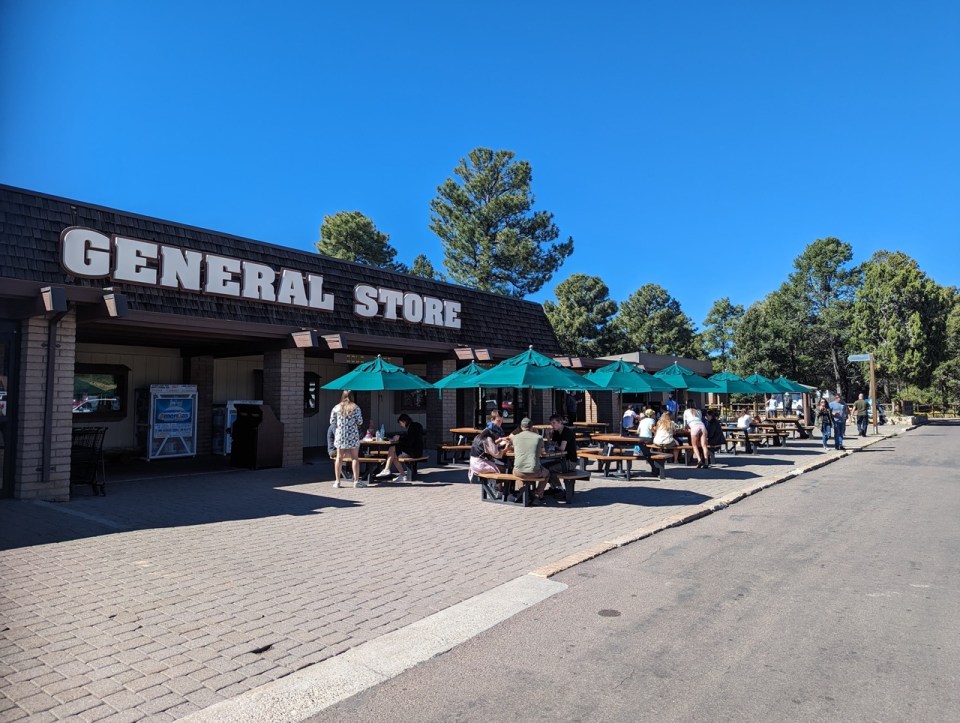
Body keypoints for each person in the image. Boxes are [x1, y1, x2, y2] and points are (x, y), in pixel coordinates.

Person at [509, 417, 550, 503]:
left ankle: (523, 493)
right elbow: (543, 453)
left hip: (519, 471)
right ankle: (537, 494)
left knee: (516, 473)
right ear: (532, 427)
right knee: (547, 473)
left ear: (521, 427)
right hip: (535, 471)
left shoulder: (515, 437)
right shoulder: (538, 438)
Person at [375, 413, 424, 482]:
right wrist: (400, 438)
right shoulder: (414, 426)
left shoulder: (412, 428)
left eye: (400, 423)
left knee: (392, 448)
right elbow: (410, 439)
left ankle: (387, 469)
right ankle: (403, 475)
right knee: (393, 456)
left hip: (414, 451)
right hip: (417, 450)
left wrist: (399, 438)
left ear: (404, 421)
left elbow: (410, 442)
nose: (400, 425)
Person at [330, 390, 363, 488]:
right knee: (354, 458)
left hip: (340, 435)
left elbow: (332, 421)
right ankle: (356, 481)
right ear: (352, 397)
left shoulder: (336, 407)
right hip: (352, 435)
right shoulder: (356, 408)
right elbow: (360, 422)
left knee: (339, 458)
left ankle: (337, 481)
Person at [542, 414, 578, 497]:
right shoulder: (556, 432)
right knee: (543, 467)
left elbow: (562, 448)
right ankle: (554, 488)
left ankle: (559, 489)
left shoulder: (567, 432)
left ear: (560, 422)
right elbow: (552, 445)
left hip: (570, 461)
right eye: (551, 423)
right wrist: (548, 437)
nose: (552, 425)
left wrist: (554, 446)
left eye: (554, 423)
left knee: (547, 470)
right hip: (561, 460)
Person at [683, 400, 710, 468]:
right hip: (702, 426)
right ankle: (706, 461)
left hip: (694, 427)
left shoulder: (686, 411)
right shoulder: (698, 411)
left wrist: (686, 428)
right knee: (704, 445)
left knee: (694, 445)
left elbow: (685, 424)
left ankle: (699, 460)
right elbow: (700, 419)